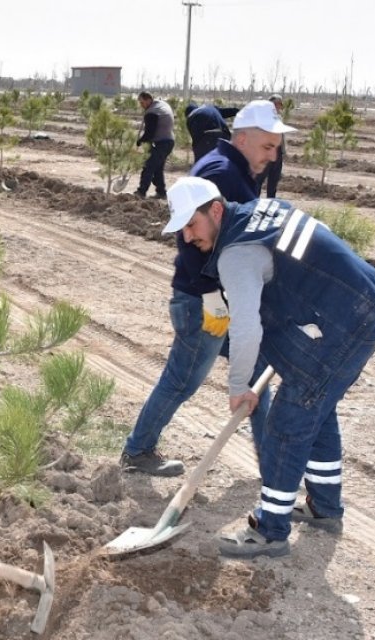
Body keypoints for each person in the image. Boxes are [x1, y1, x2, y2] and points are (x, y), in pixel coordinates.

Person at [163, 176, 375, 558]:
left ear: (216, 210)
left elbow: (246, 327)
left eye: (192, 224)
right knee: (316, 411)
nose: (188, 237)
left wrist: (239, 385)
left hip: (341, 324)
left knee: (288, 422)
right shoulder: (260, 211)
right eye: (182, 228)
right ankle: (324, 507)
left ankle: (270, 530)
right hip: (358, 309)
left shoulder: (236, 254)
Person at [120, 99, 293, 477]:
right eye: (267, 146)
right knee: (182, 380)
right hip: (205, 302)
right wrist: (212, 294)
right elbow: (192, 234)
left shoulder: (234, 169)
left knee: (253, 371)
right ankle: (138, 450)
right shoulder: (222, 172)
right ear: (243, 138)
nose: (273, 156)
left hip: (221, 296)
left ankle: (272, 465)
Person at [134, 91, 175, 199]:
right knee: (157, 168)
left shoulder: (152, 112)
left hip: (162, 142)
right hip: (169, 141)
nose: (141, 105)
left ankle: (141, 192)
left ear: (148, 100)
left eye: (142, 102)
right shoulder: (160, 104)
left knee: (149, 166)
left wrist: (140, 141)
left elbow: (149, 133)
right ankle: (161, 192)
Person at [255, 94, 288, 197]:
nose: (279, 107)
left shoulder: (279, 117)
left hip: (278, 152)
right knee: (259, 180)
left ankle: (270, 205)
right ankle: (253, 204)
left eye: (280, 104)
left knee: (273, 181)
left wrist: (283, 151)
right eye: (277, 104)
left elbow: (282, 136)